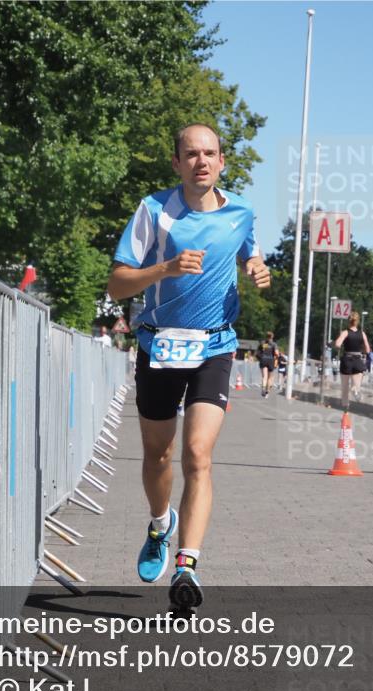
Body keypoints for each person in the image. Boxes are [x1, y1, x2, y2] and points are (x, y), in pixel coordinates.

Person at [107, 123, 271, 608]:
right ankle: (161, 525)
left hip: (215, 346)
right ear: (177, 163)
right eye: (191, 154)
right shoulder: (154, 211)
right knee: (158, 455)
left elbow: (250, 255)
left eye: (210, 154)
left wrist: (258, 269)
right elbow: (117, 285)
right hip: (158, 345)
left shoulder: (241, 212)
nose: (202, 161)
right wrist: (165, 268)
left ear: (222, 162)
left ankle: (187, 567)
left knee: (197, 454)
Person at [334, 310, 371, 410]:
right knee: (356, 384)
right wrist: (362, 349)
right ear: (357, 321)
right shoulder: (362, 334)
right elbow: (367, 349)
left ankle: (346, 411)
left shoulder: (345, 332)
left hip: (346, 360)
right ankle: (355, 389)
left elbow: (337, 344)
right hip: (357, 360)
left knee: (345, 388)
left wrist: (339, 346)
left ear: (348, 321)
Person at [256, 332, 278, 397]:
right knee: (270, 377)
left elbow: (257, 352)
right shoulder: (274, 344)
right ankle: (267, 391)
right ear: (272, 337)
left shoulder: (263, 343)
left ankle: (263, 388)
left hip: (263, 359)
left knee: (264, 376)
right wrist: (276, 358)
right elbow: (277, 353)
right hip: (271, 360)